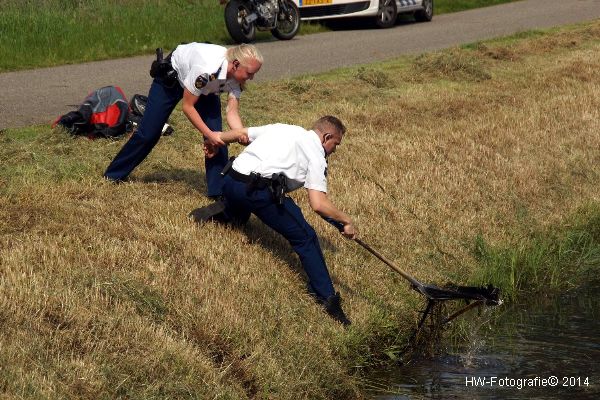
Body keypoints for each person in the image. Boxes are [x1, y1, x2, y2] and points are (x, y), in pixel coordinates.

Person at [190, 116, 358, 325]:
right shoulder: (316, 154)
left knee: (241, 217)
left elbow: (241, 134)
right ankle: (326, 298)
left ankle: (223, 210)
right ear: (327, 137)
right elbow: (318, 204)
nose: (335, 150)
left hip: (230, 178)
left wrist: (216, 140)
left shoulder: (285, 128)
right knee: (306, 238)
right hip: (255, 192)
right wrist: (347, 220)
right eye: (336, 144)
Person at [104, 42, 263, 198]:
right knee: (149, 133)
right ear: (235, 64)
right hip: (171, 80)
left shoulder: (237, 78)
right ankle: (113, 175)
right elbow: (188, 107)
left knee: (218, 137)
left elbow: (232, 112)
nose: (253, 78)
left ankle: (219, 193)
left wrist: (240, 133)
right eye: (250, 73)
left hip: (205, 88)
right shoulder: (207, 70)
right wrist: (209, 134)